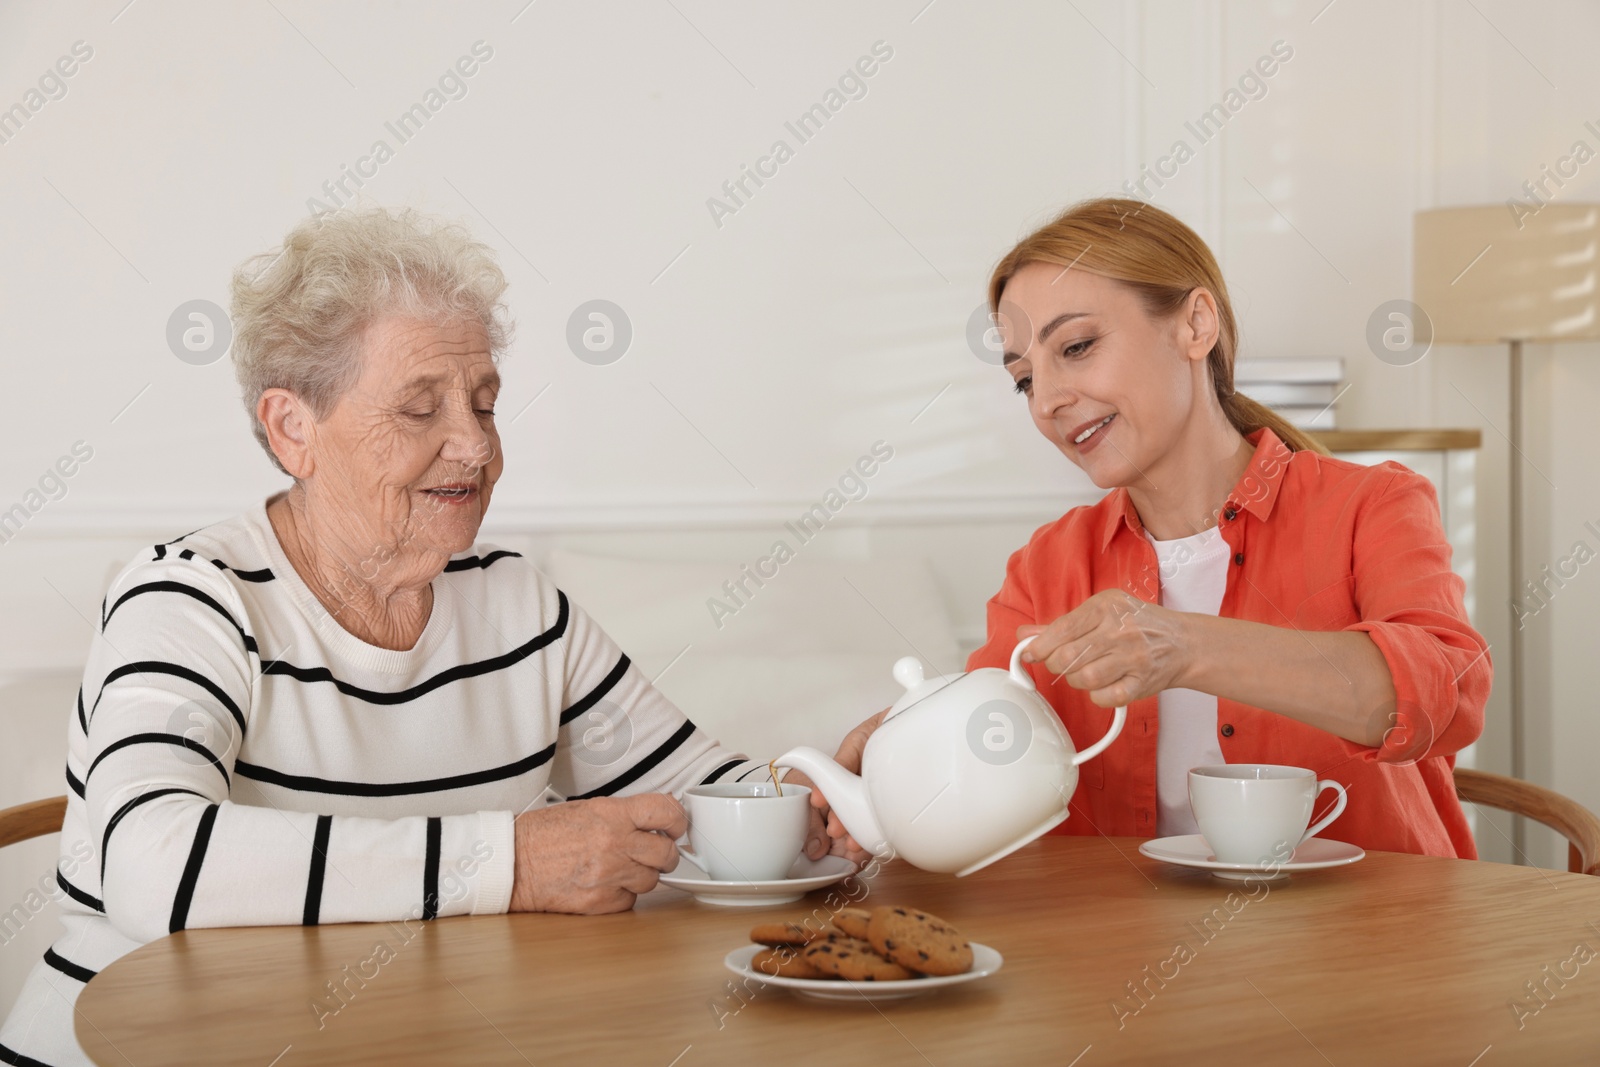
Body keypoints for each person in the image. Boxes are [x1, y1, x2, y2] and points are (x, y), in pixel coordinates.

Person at [0, 208, 834, 1067]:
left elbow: (701, 794)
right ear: (294, 428)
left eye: (483, 404)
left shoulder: (516, 606)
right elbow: (150, 863)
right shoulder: (187, 598)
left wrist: (820, 796)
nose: (475, 446)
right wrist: (509, 861)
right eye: (419, 408)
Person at [816, 197, 1490, 863]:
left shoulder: (1371, 505)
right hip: (1128, 962)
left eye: (1076, 347)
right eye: (1025, 380)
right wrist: (891, 770)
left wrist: (1185, 646)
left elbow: (1448, 695)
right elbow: (983, 755)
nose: (1048, 400)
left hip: (1379, 951)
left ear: (1196, 325)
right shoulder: (1046, 568)